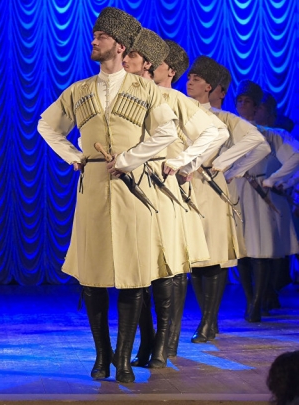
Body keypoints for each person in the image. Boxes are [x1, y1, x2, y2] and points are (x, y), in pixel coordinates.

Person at [38, 7, 179, 383]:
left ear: (119, 46)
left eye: (100, 37)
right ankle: (102, 356)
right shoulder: (80, 90)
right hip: (95, 188)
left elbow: (167, 132)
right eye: (94, 36)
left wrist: (131, 159)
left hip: (133, 190)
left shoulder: (145, 90)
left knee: (133, 274)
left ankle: (125, 358)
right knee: (93, 274)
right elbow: (46, 125)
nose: (93, 41)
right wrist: (73, 155)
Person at [122, 29, 219, 368]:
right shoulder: (125, 94)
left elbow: (215, 132)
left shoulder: (174, 99)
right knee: (137, 269)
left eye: (135, 56)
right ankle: (148, 340)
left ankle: (163, 343)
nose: (127, 60)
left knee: (167, 267)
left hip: (163, 189)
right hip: (131, 186)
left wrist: (184, 162)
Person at [186, 56, 270, 342]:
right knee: (195, 259)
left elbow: (258, 143)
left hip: (213, 190)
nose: (189, 82)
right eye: (189, 78)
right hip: (187, 188)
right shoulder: (183, 113)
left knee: (215, 256)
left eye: (197, 79)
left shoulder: (223, 118)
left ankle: (209, 320)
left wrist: (228, 166)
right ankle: (206, 318)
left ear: (211, 87)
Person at [233, 81, 299, 322]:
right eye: (239, 101)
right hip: (237, 191)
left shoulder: (271, 135)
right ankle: (250, 299)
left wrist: (274, 179)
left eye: (248, 101)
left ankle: (258, 303)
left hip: (259, 193)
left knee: (261, 250)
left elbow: (296, 156)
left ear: (256, 106)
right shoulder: (229, 132)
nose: (243, 105)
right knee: (241, 250)